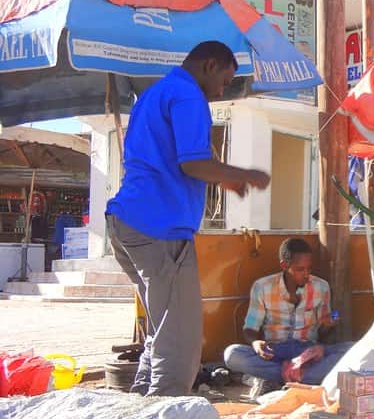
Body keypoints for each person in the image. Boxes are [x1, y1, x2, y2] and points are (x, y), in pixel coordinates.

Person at [106, 41, 271, 396]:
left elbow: (168, 160)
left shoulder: (153, 94)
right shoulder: (189, 96)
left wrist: (226, 178)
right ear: (210, 65)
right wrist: (244, 174)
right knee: (180, 339)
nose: (221, 90)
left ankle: (138, 406)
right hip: (158, 228)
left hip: (127, 222)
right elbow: (192, 163)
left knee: (162, 327)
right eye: (225, 81)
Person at [223, 238, 351, 395]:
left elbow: (323, 333)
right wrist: (256, 343)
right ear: (284, 265)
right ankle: (300, 377)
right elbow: (250, 327)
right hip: (274, 352)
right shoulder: (262, 287)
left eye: (309, 268)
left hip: (307, 353)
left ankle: (276, 377)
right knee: (232, 354)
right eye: (300, 269)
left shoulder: (321, 286)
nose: (306, 274)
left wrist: (328, 324)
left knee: (351, 349)